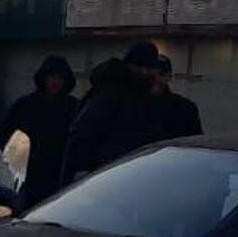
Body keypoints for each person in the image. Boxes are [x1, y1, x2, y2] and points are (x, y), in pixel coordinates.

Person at [62, 41, 166, 186]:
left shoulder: (134, 94)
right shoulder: (114, 93)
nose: (148, 73)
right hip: (107, 176)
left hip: (120, 175)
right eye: (144, 68)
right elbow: (84, 136)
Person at [0, 55, 79, 209]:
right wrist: (20, 159)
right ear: (44, 78)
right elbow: (5, 133)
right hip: (28, 176)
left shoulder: (73, 107)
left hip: (59, 176)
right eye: (52, 76)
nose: (55, 82)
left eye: (60, 77)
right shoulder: (26, 105)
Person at [152, 55, 203, 140]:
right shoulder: (131, 106)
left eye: (161, 73)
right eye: (151, 74)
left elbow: (196, 143)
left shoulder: (186, 108)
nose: (156, 78)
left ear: (169, 76)